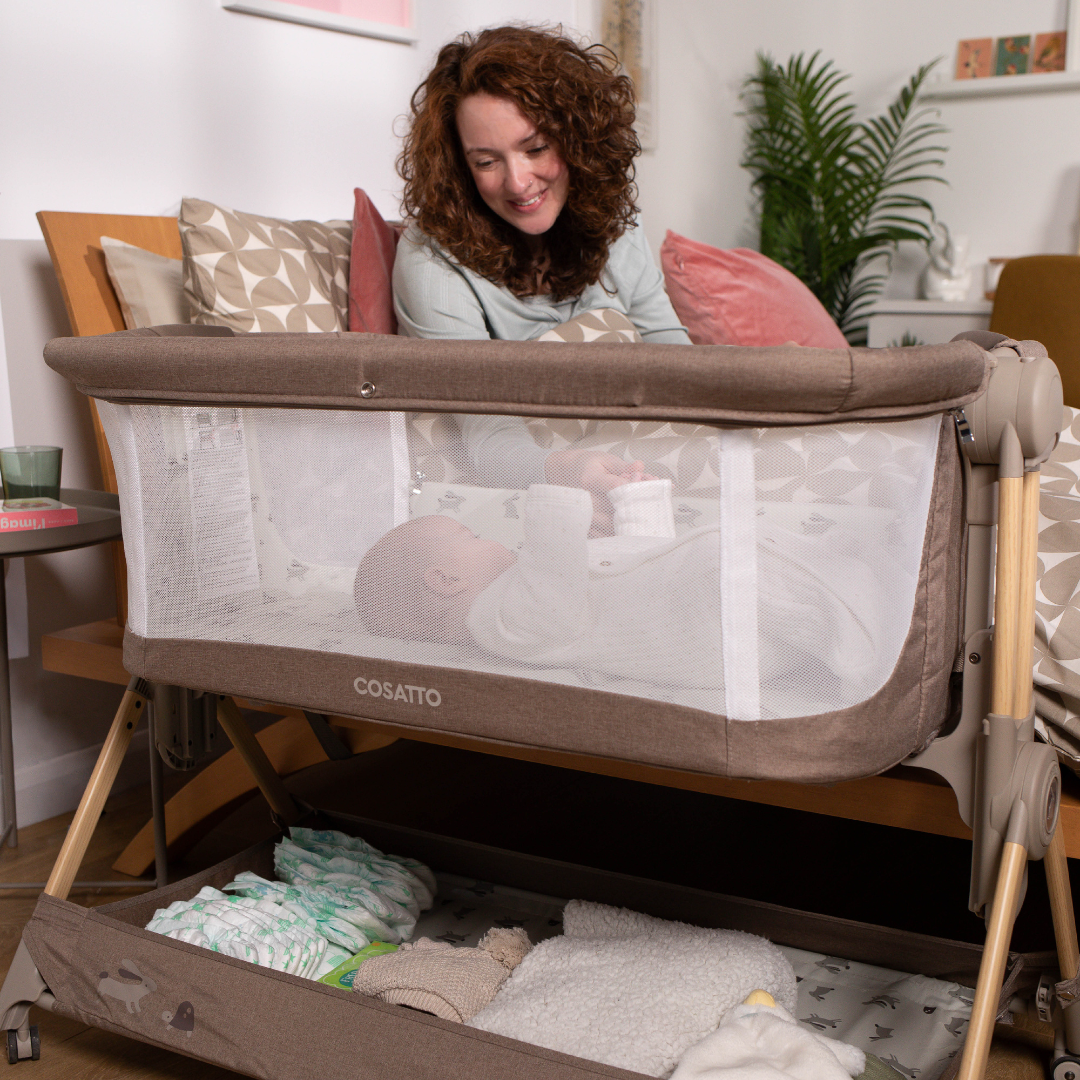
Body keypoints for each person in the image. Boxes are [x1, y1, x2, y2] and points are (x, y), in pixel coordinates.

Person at [393, 24, 691, 524]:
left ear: (578, 138)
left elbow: (680, 372)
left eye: (535, 149)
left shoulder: (617, 227)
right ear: (459, 168)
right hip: (534, 489)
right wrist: (574, 471)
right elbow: (485, 440)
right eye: (486, 161)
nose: (517, 182)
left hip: (656, 465)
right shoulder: (430, 260)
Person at [353, 479, 883, 701]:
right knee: (780, 579)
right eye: (471, 535)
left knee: (804, 563)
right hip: (712, 623)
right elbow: (554, 602)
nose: (490, 538)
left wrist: (636, 500)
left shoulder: (522, 593)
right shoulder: (499, 622)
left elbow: (645, 555)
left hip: (705, 603)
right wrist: (554, 508)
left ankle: (861, 574)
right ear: (446, 580)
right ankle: (866, 651)